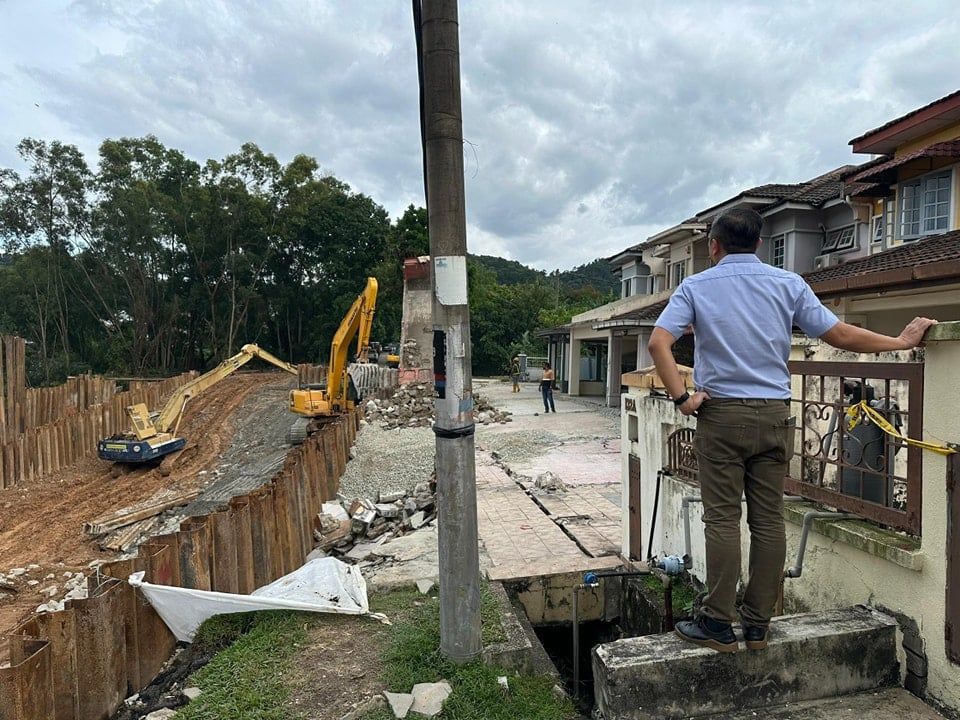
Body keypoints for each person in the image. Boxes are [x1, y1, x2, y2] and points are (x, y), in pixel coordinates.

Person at [648, 208, 935, 654]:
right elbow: (838, 334)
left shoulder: (696, 286)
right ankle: (758, 625)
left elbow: (658, 342)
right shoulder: (788, 284)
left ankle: (718, 623)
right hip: (776, 415)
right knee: (768, 519)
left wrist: (683, 398)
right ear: (760, 244)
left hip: (721, 417)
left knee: (722, 519)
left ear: (714, 246)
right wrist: (899, 343)